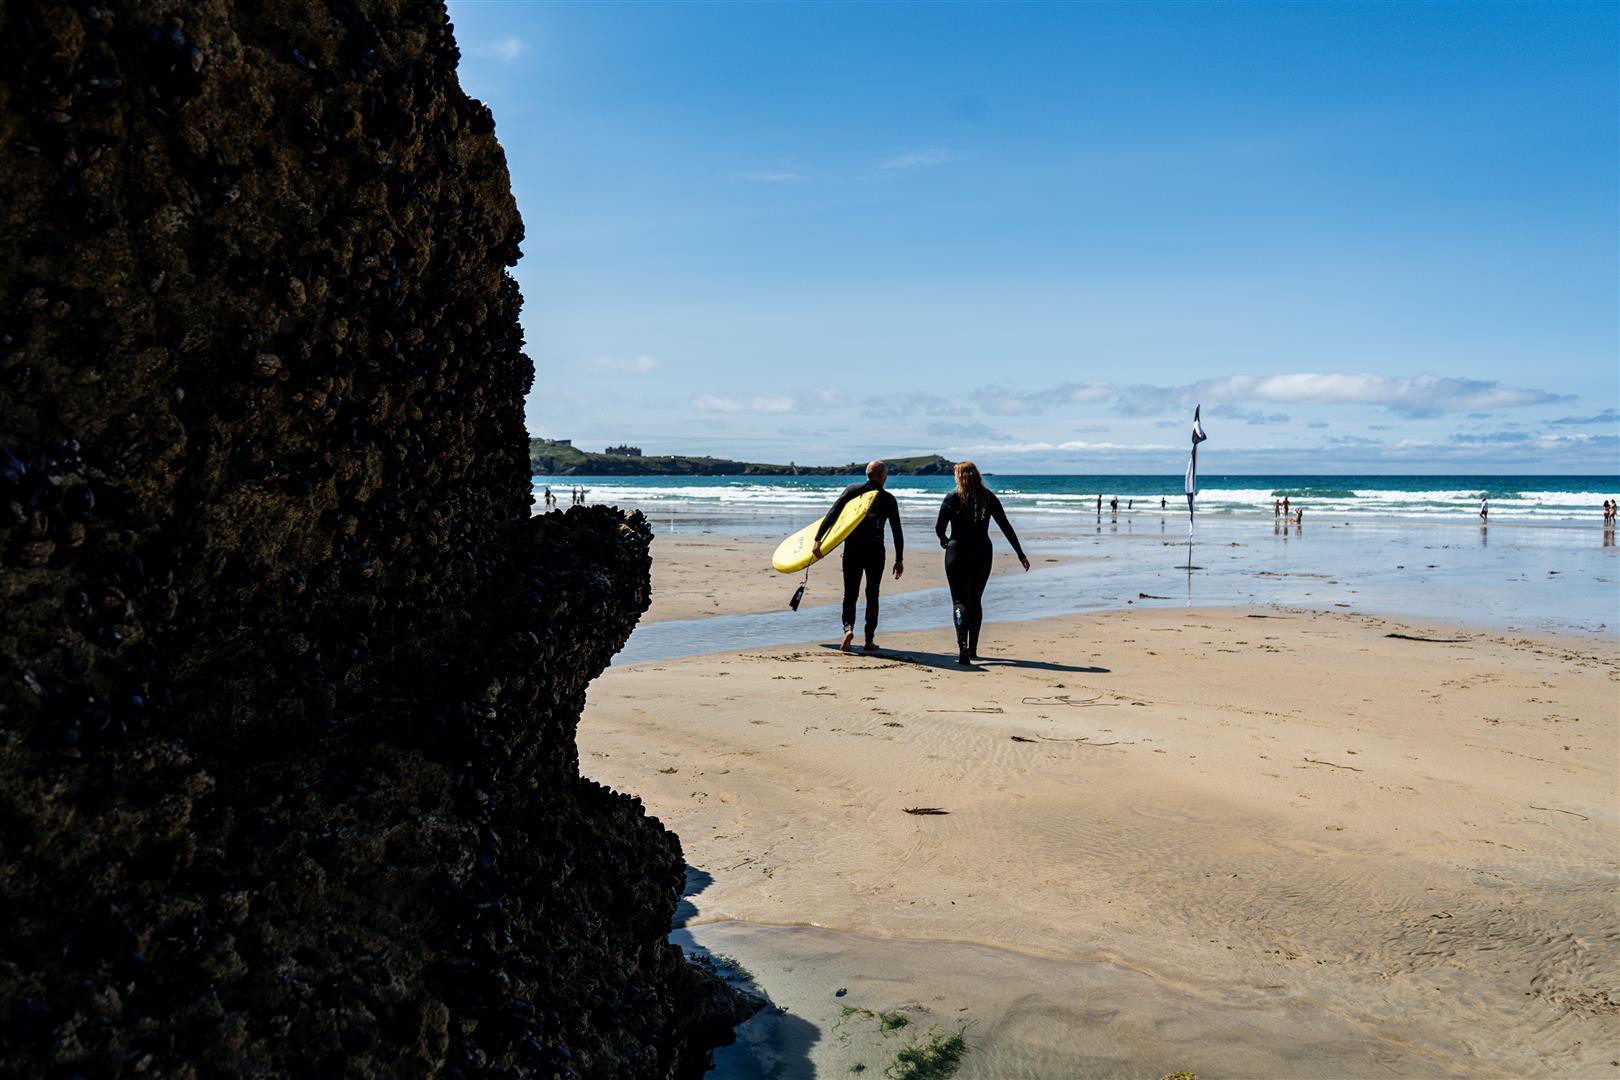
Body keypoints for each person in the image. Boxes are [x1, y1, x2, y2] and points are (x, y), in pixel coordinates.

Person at [935, 460, 1029, 665]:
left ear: (959, 477)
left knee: (959, 601)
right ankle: (973, 649)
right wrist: (1020, 554)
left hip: (957, 552)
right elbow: (1005, 525)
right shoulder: (989, 497)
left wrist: (944, 540)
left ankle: (962, 644)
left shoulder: (952, 497)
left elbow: (939, 527)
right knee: (975, 600)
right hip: (982, 552)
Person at [811, 460, 904, 653]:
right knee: (872, 594)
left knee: (850, 594)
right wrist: (899, 559)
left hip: (853, 550)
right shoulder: (888, 499)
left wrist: (818, 539)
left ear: (867, 474)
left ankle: (848, 629)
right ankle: (869, 641)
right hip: (875, 552)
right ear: (882, 476)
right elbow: (897, 530)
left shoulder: (852, 491)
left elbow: (833, 513)